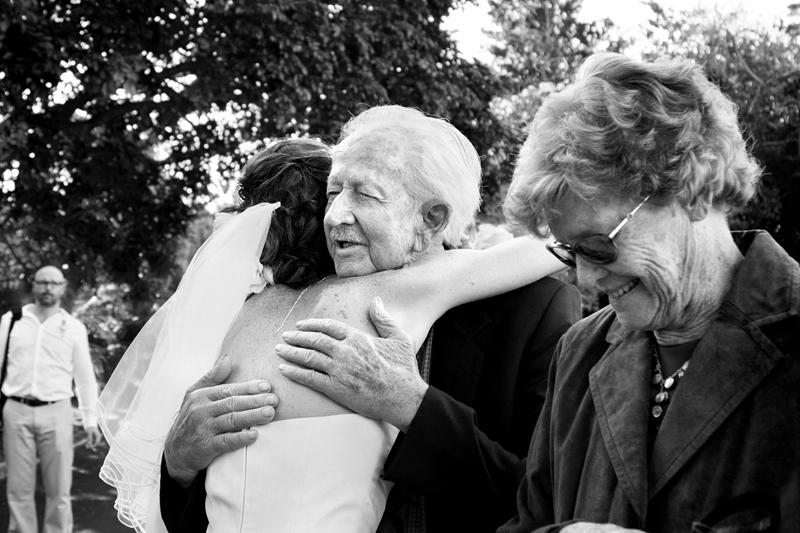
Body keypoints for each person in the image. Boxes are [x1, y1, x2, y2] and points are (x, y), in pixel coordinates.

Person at [154, 106, 582, 533]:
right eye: (333, 192)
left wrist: (412, 407)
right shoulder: (272, 308)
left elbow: (550, 500)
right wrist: (178, 465)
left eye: (364, 194)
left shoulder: (533, 311)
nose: (334, 215)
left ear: (431, 218)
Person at [488, 52, 798, 532]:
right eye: (571, 253)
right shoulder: (579, 352)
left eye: (599, 247)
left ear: (692, 189)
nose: (587, 282)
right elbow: (529, 519)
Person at [0, 266, 102, 533]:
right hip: (16, 411)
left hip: (57, 413)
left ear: (62, 286)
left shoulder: (74, 328)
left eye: (53, 283)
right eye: (42, 282)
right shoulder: (11, 321)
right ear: (33, 285)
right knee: (18, 488)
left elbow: (85, 378)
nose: (47, 287)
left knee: (59, 489)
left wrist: (90, 420)